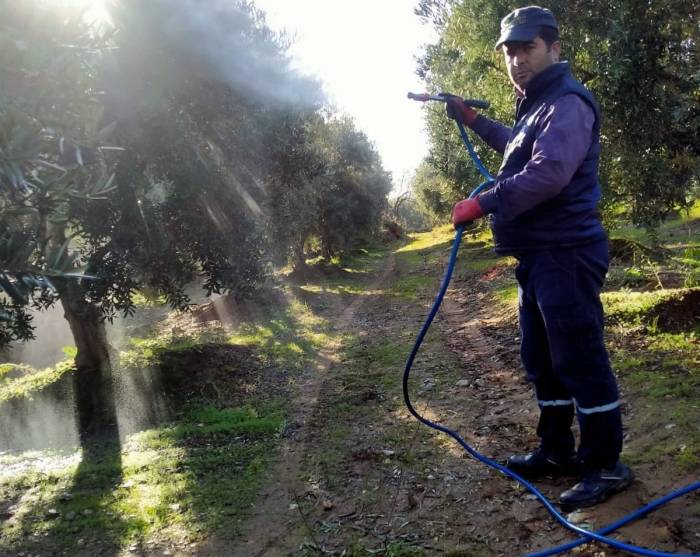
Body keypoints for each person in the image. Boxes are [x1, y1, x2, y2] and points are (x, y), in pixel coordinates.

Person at [444, 5, 633, 511]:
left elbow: (549, 173)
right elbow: (518, 150)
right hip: (538, 254)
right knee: (543, 359)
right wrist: (477, 120)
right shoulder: (537, 106)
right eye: (509, 50)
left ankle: (605, 464)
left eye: (526, 47)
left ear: (554, 48)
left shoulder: (568, 103)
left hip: (566, 251)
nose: (516, 59)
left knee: (578, 357)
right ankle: (556, 451)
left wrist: (482, 203)